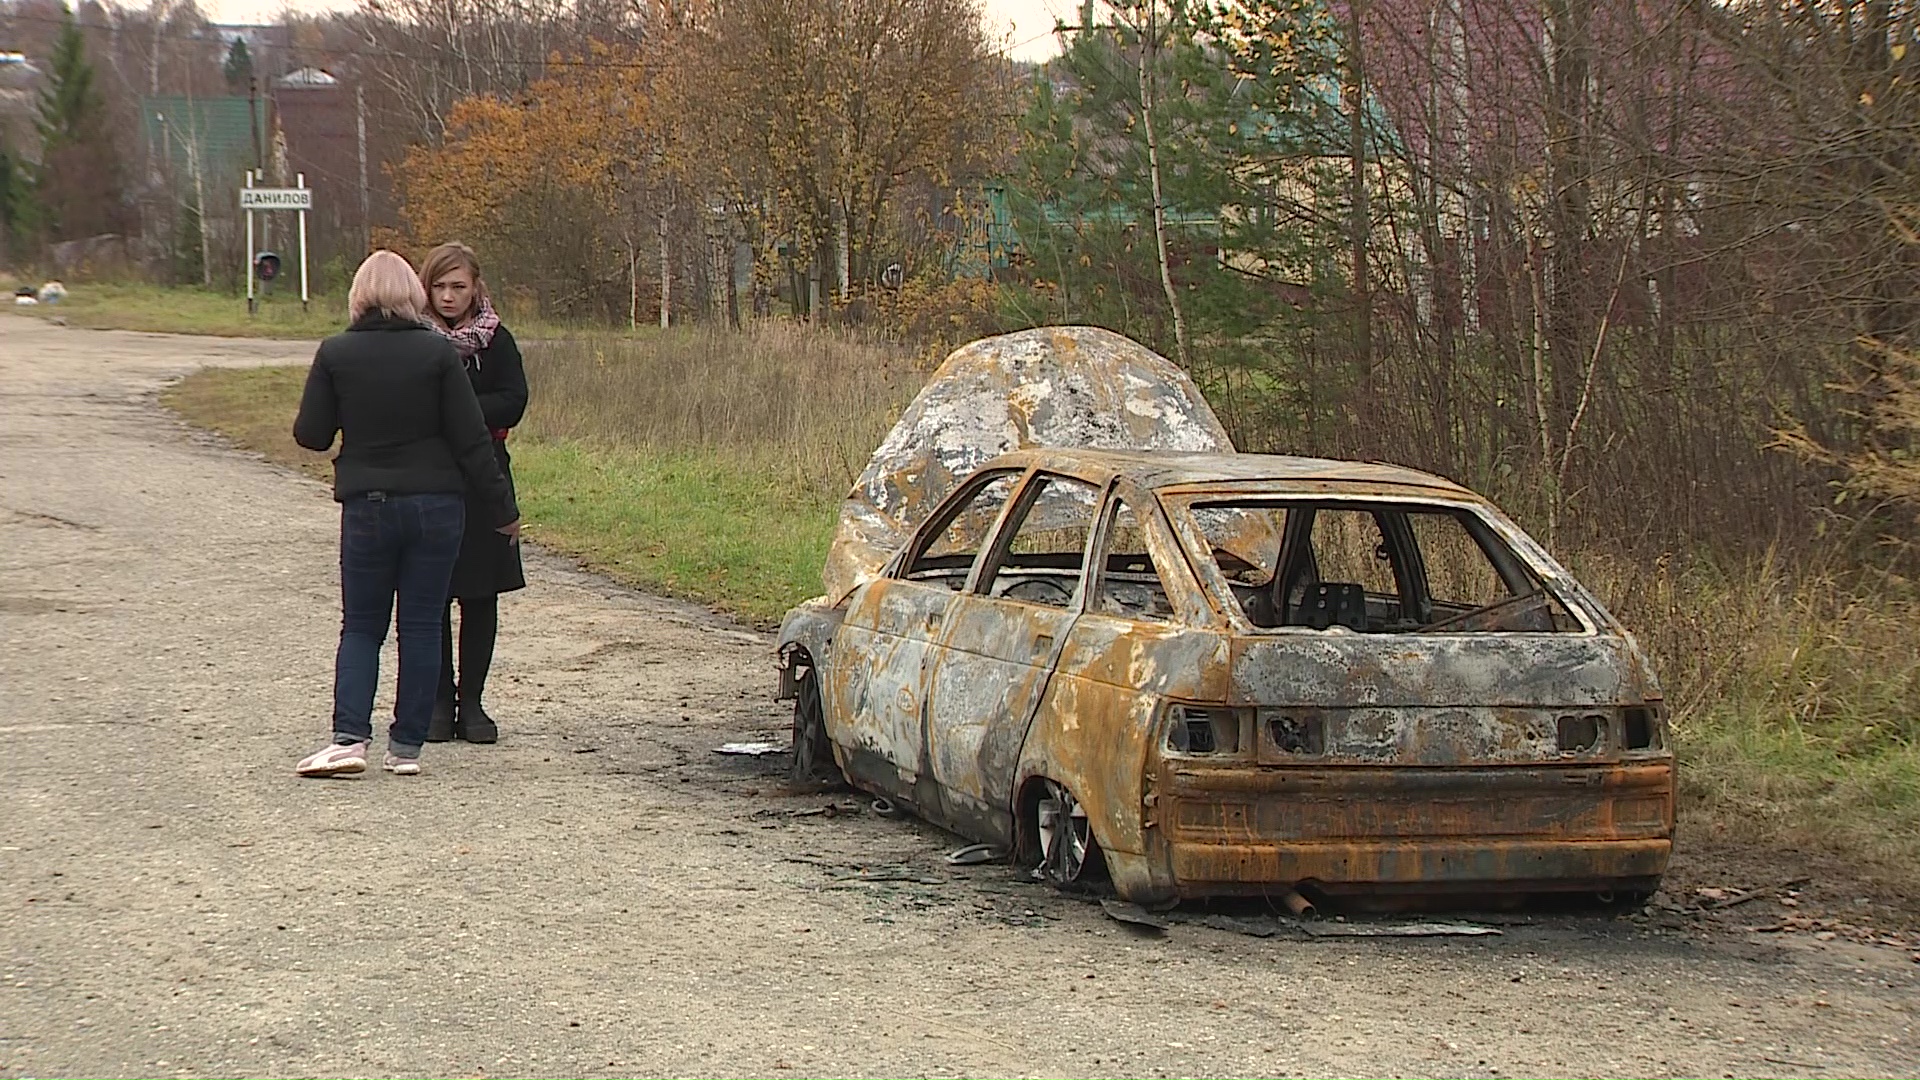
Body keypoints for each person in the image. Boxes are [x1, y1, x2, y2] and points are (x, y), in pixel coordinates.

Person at [292, 250, 520, 778]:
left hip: (368, 505)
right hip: (437, 505)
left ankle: (350, 738)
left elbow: (311, 434)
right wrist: (502, 509)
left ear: (359, 295)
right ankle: (408, 746)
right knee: (420, 623)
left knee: (362, 626)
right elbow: (470, 441)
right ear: (415, 295)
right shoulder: (437, 355)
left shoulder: (336, 353)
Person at [418, 242, 528, 744]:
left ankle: (474, 701)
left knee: (481, 593)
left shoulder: (495, 339)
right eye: (438, 287)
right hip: (429, 476)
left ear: (475, 287)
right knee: (431, 592)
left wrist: (462, 413)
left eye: (457, 287)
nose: (447, 296)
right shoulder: (414, 338)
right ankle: (439, 699)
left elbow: (514, 400)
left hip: (484, 477)